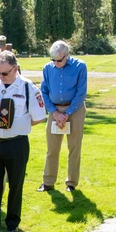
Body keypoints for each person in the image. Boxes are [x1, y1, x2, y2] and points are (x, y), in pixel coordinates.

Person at [0, 51, 45, 232]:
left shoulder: (27, 88)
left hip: (16, 144)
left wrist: (19, 126)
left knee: (15, 183)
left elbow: (39, 117)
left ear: (15, 69)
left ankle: (12, 223)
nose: (1, 76)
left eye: (5, 73)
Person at [38, 41, 87, 192]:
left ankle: (71, 183)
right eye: (53, 60)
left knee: (74, 147)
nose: (56, 63)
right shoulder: (47, 68)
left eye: (59, 60)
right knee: (52, 148)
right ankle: (48, 182)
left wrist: (67, 113)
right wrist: (54, 112)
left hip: (75, 109)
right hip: (55, 110)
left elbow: (81, 93)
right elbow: (44, 91)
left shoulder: (80, 66)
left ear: (68, 55)